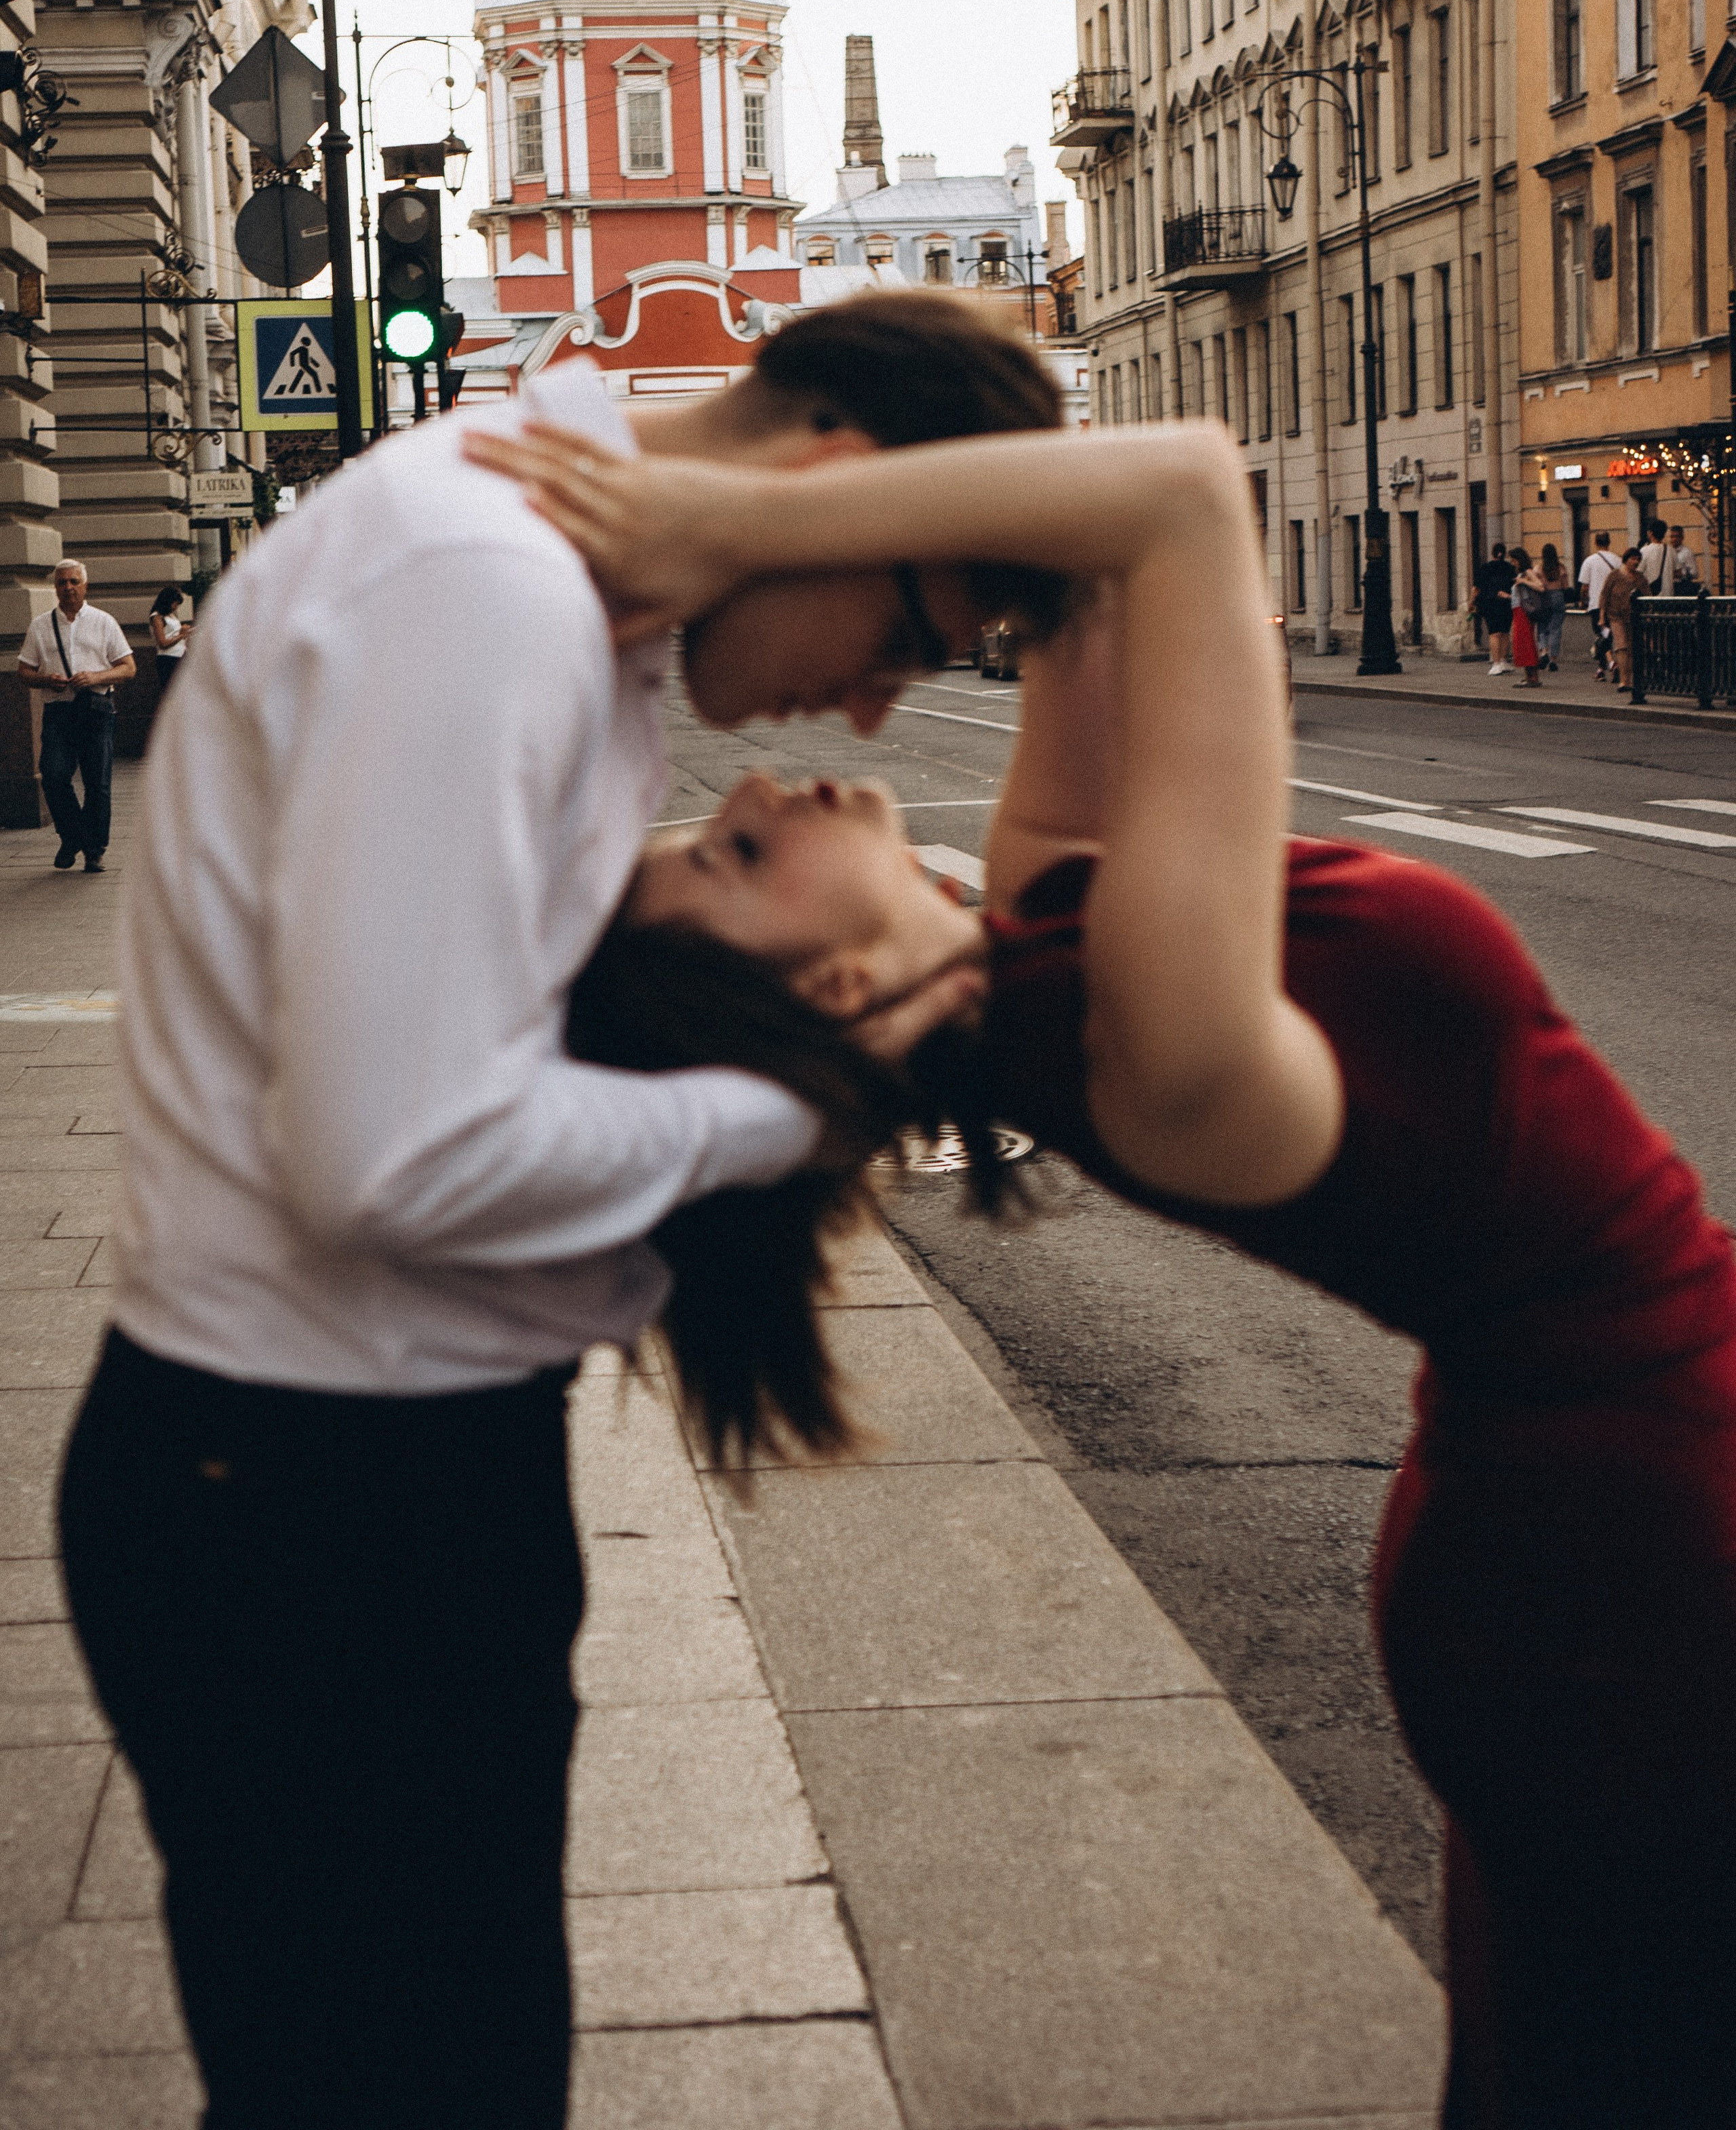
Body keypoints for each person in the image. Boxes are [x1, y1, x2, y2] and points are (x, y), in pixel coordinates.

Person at [473, 414, 1736, 2130]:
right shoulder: (1157, 1043)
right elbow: (1179, 493)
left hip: (1575, 1524)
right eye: (732, 861)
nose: (754, 791)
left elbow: (1096, 551)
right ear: (837, 994)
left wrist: (789, 526)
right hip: (1641, 1554)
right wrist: (706, 510)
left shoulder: (1052, 923)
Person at [58, 291, 1065, 2130]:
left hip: (348, 1484)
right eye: (912, 637)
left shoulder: (562, 597)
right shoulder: (484, 590)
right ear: (832, 487)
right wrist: (786, 1109)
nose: (869, 706)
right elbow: (393, 1159)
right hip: (314, 1508)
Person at [16, 557, 136, 872]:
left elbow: (129, 667)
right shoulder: (41, 625)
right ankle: (72, 836)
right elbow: (24, 671)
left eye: (73, 582)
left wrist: (95, 678)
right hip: (59, 712)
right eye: (61, 583)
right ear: (55, 588)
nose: (67, 588)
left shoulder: (103, 622)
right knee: (53, 777)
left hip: (97, 711)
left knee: (98, 784)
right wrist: (46, 680)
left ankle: (94, 850)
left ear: (85, 585)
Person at [1601, 545, 1645, 692]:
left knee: (1632, 649)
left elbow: (1647, 596)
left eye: (1638, 559)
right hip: (1616, 616)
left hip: (1633, 617)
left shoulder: (1640, 578)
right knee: (1621, 647)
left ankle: (1629, 678)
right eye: (1633, 559)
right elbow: (1604, 595)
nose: (1636, 562)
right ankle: (1624, 681)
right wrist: (1602, 617)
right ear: (1625, 560)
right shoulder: (1615, 575)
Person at [1577, 531, 1621, 679]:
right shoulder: (1617, 560)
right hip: (1614, 604)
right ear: (1609, 542)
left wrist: (1583, 601)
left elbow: (1585, 586)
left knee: (1601, 635)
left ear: (1595, 543)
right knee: (1607, 636)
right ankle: (1601, 670)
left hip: (1596, 603)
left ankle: (1611, 663)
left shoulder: (1589, 561)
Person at [1472, 542, 1512, 675]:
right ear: (1505, 554)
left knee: (1494, 634)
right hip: (1507, 603)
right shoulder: (1509, 568)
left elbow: (1477, 589)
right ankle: (1504, 661)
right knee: (1505, 633)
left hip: (1490, 603)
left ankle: (1496, 664)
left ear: (1492, 553)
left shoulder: (1485, 568)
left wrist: (1471, 603)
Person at [1507, 547, 1543, 688]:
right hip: (1518, 610)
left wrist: (1523, 582)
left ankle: (1533, 677)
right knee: (1521, 642)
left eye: (1514, 560)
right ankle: (1528, 676)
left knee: (1525, 642)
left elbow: (1540, 587)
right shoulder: (1521, 573)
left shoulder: (1528, 572)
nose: (1513, 563)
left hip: (1524, 611)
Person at [149, 583, 192, 696]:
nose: (176, 607)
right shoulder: (157, 618)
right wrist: (181, 635)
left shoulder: (171, 616)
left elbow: (174, 634)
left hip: (180, 655)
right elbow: (162, 643)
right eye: (175, 604)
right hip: (168, 659)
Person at [1534, 544, 1569, 671]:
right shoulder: (1561, 568)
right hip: (1558, 597)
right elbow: (1566, 586)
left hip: (1544, 598)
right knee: (1556, 629)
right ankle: (1553, 660)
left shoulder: (1539, 568)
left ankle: (1544, 652)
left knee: (1542, 626)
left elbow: (1536, 584)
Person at [1638, 517, 1675, 596]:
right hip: (1669, 595)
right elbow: (1678, 572)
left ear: (1650, 533)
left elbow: (1638, 572)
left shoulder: (1644, 551)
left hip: (1652, 595)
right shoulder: (1671, 550)